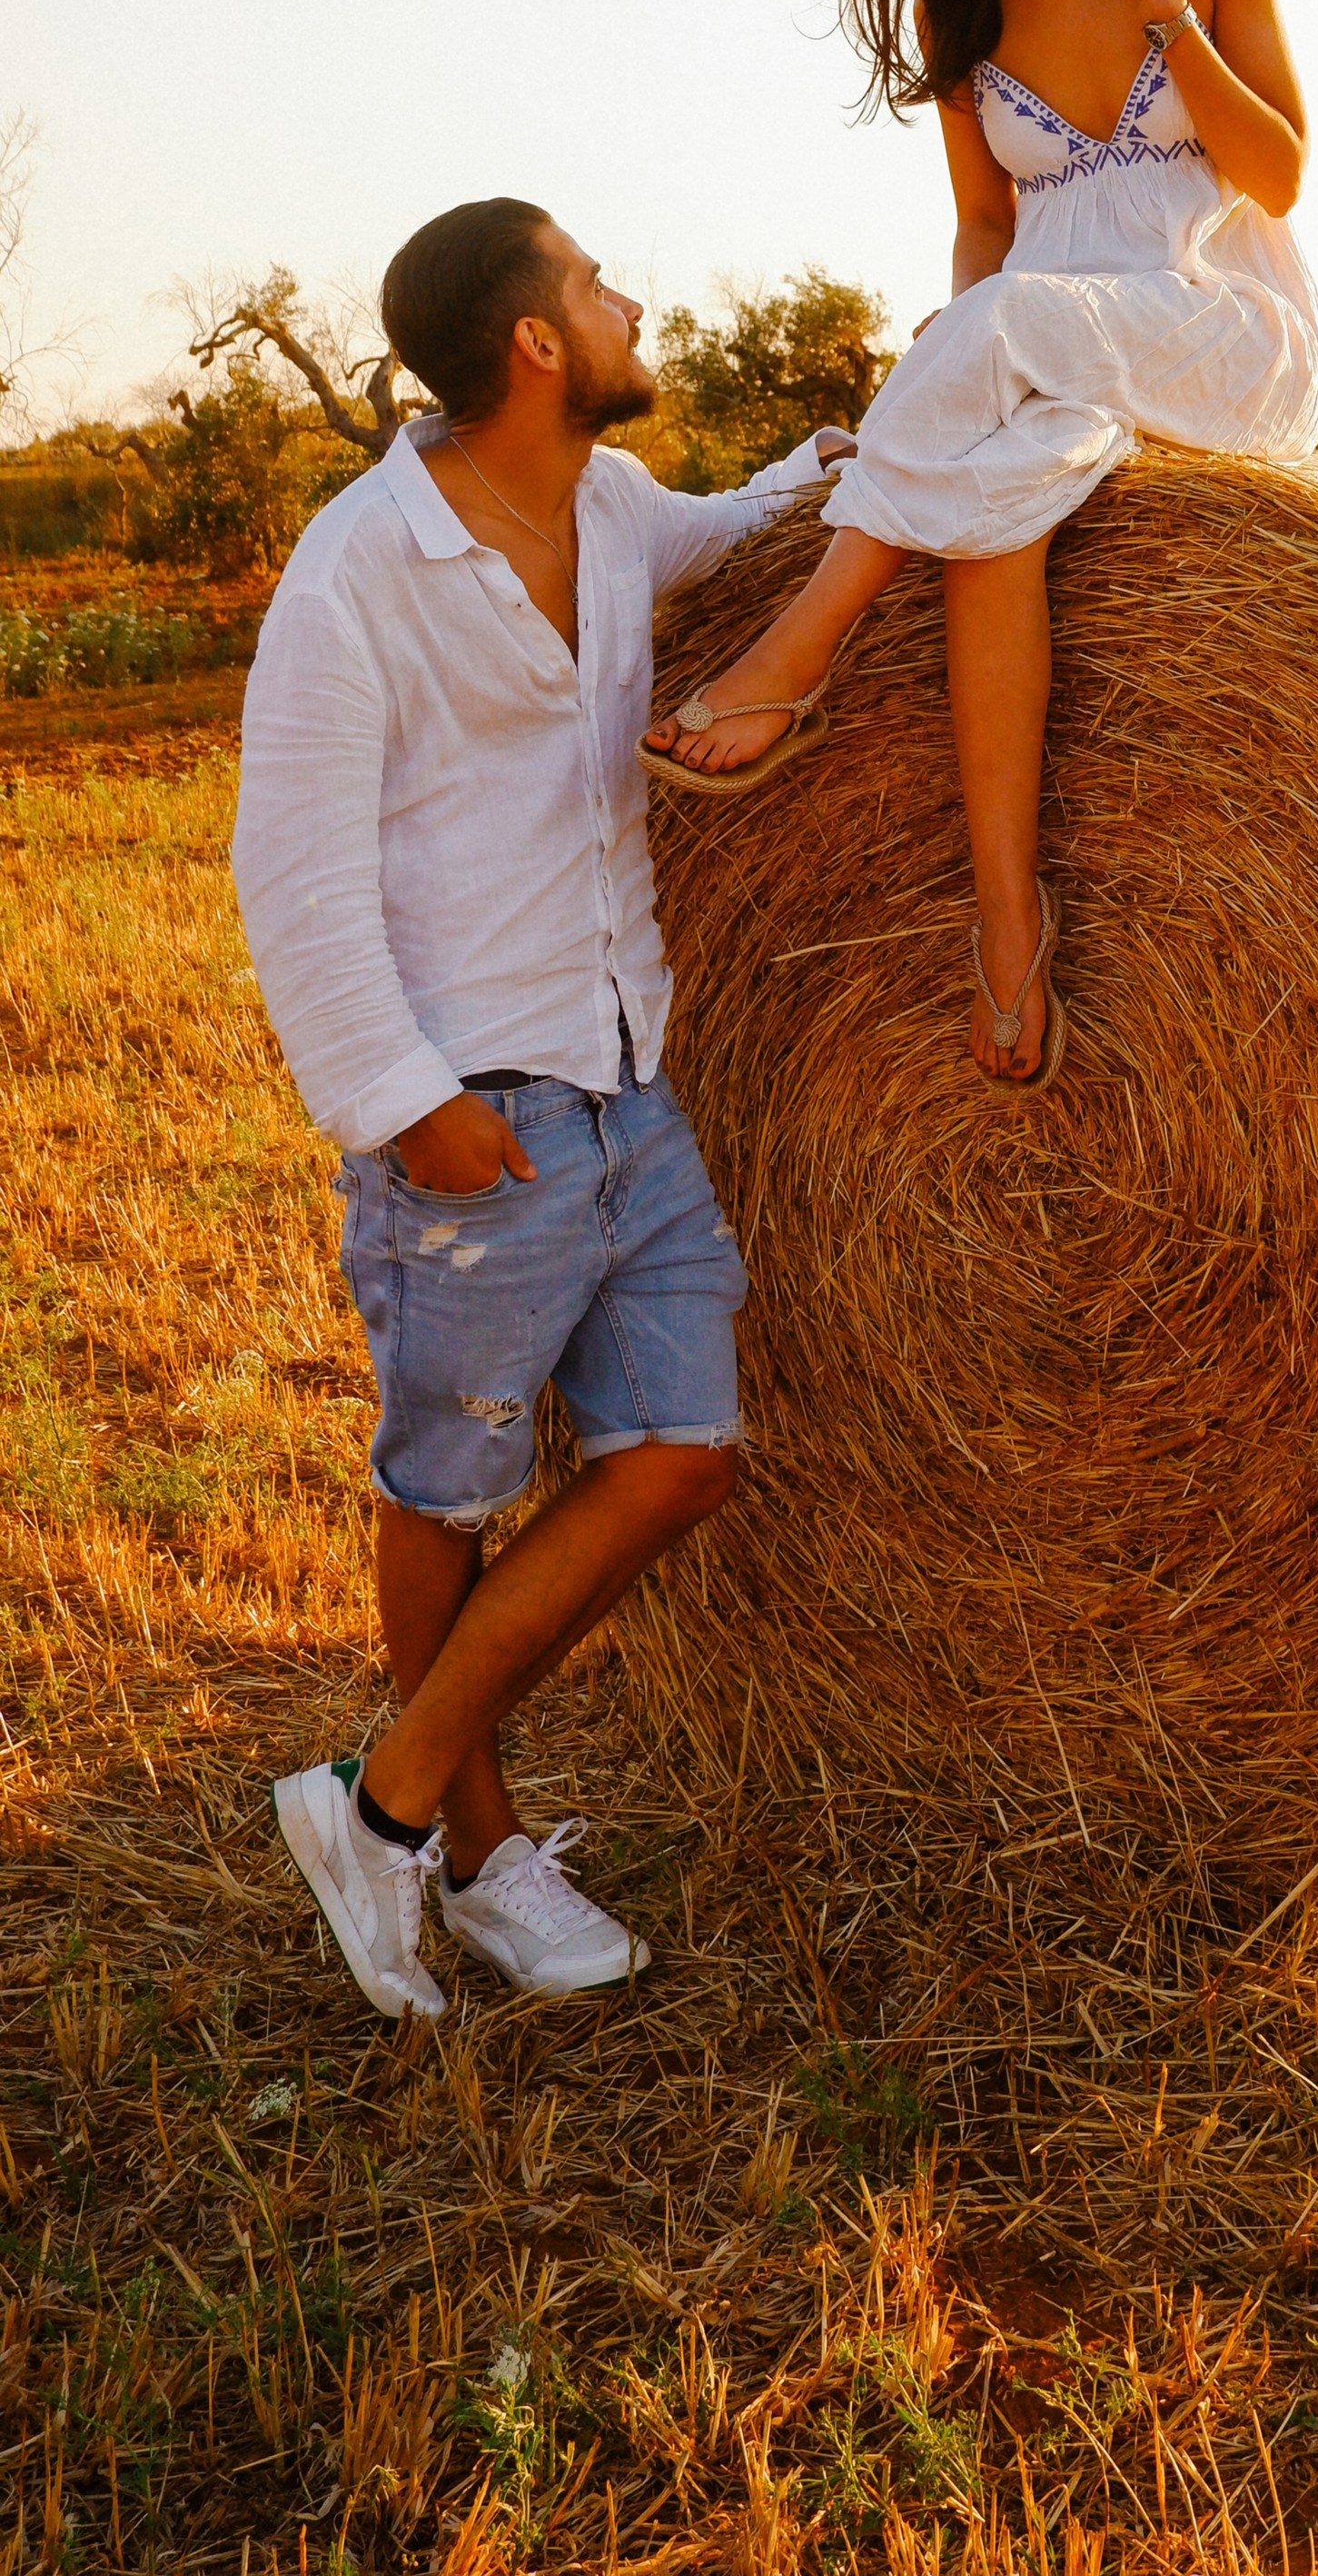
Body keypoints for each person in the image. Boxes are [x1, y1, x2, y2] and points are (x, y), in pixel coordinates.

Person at [233, 198, 848, 2021]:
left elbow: (752, 526)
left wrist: (881, 450)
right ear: (529, 340)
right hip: (474, 1115)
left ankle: (386, 1799)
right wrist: (406, 1103)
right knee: (452, 1484)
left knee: (682, 1449)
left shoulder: (608, 508)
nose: (629, 299)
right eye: (595, 281)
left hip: (629, 1075)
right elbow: (296, 871)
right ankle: (479, 1854)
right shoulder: (361, 573)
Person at [642, 0, 1318, 1084]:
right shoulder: (953, 3)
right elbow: (986, 235)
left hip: (1222, 338)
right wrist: (948, 393)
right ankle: (1009, 929)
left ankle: (797, 649)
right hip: (1046, 342)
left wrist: (1169, 25)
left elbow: (1280, 173)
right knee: (984, 524)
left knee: (1004, 333)